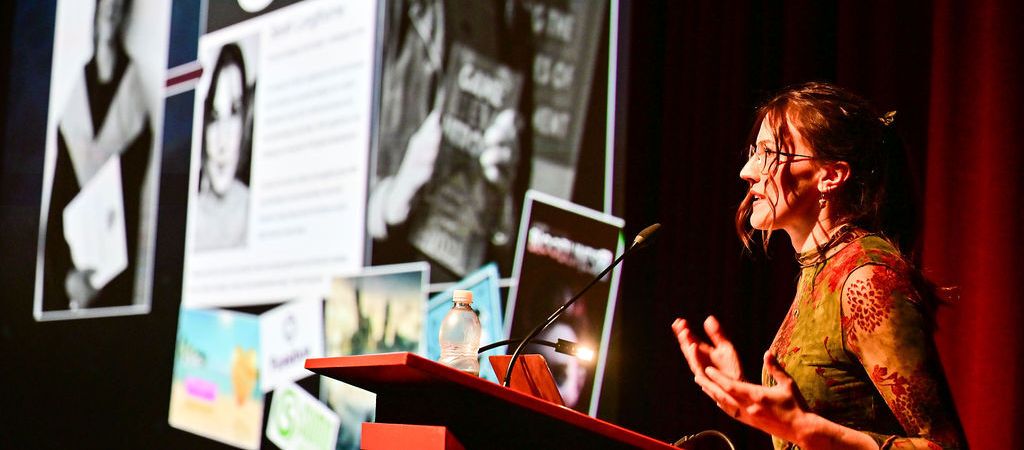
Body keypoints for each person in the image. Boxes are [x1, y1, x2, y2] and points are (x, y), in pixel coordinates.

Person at [672, 82, 966, 449]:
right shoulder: (820, 270)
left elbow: (945, 446)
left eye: (769, 153)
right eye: (754, 152)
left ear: (830, 176)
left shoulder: (866, 277)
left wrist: (808, 428)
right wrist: (744, 396)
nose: (748, 171)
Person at [42, 0, 153, 311]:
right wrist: (66, 275)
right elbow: (57, 201)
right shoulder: (77, 91)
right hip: (68, 276)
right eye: (106, 3)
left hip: (112, 276)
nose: (111, 11)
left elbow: (130, 198)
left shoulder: (133, 98)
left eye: (119, 5)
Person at [193, 42, 251, 252]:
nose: (222, 143)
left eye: (234, 112)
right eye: (215, 117)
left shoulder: (251, 208)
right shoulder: (189, 214)